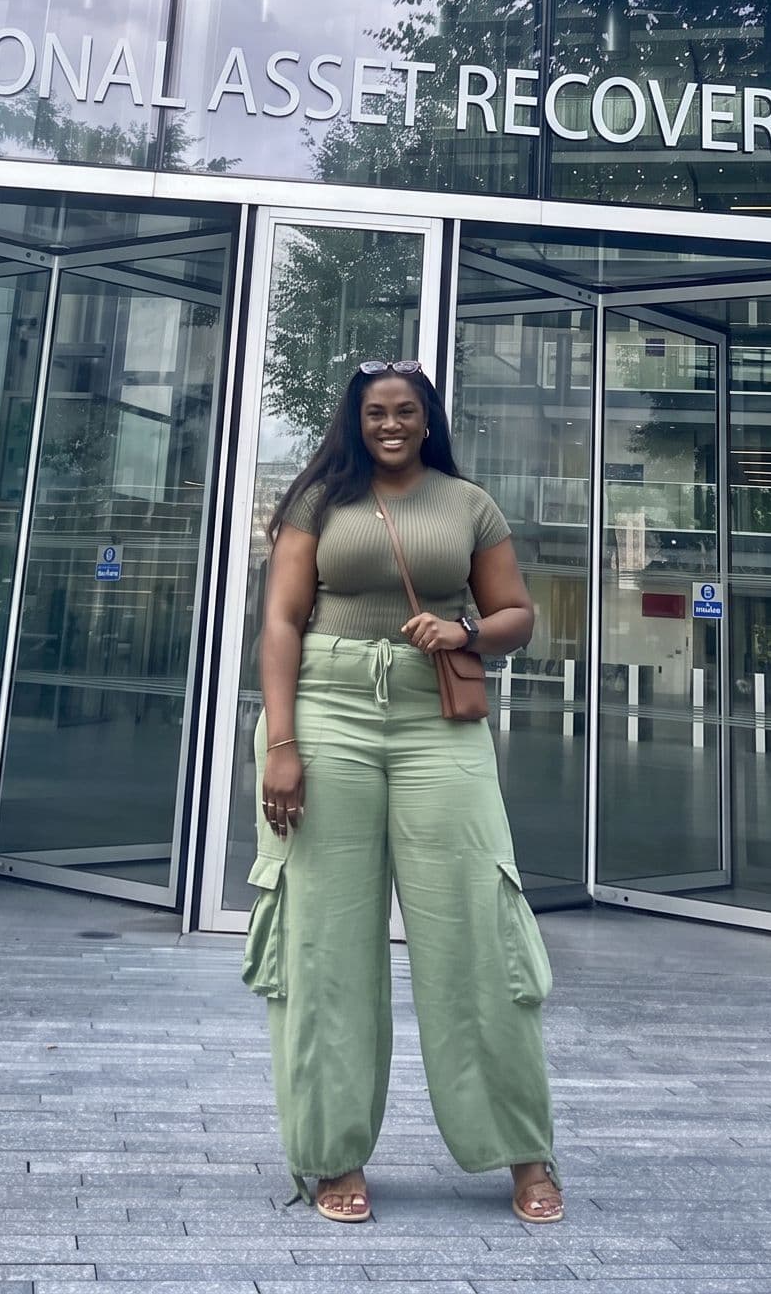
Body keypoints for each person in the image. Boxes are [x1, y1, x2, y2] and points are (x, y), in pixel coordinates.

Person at [241, 359, 562, 1226]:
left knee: (477, 928)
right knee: (328, 946)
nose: (390, 423)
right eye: (375, 412)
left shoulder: (469, 504)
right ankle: (331, 1155)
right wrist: (281, 742)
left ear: (427, 422)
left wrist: (463, 628)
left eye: (405, 412)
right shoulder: (318, 502)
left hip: (435, 720)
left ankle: (525, 1152)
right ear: (357, 422)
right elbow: (281, 621)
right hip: (328, 711)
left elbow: (516, 617)